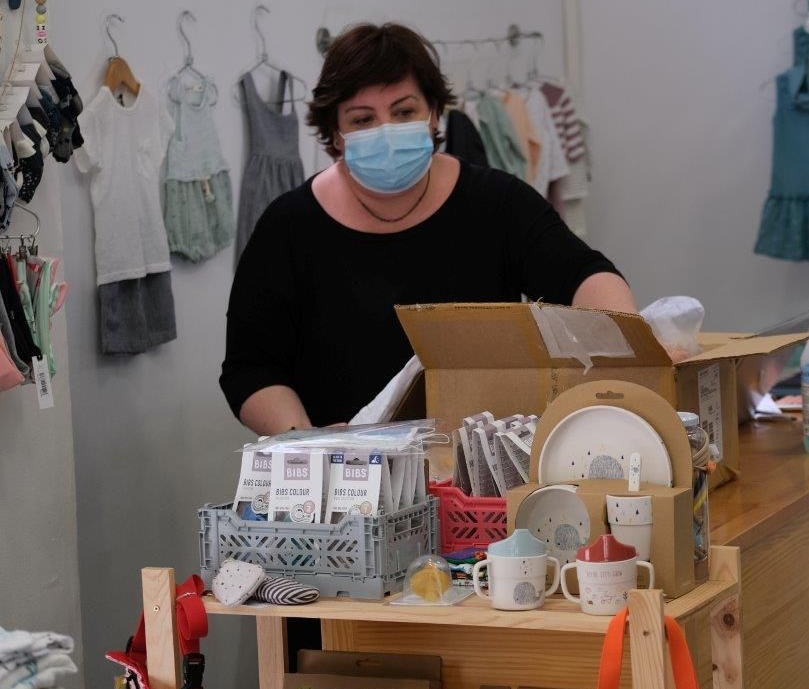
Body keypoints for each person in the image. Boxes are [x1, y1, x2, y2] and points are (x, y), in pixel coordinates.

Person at [220, 23, 635, 434]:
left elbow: (582, 275)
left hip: (481, 470)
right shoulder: (289, 226)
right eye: (363, 119)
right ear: (335, 133)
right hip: (347, 477)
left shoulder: (497, 202)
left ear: (433, 113)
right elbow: (251, 368)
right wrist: (310, 443)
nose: (386, 131)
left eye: (404, 112)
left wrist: (629, 350)